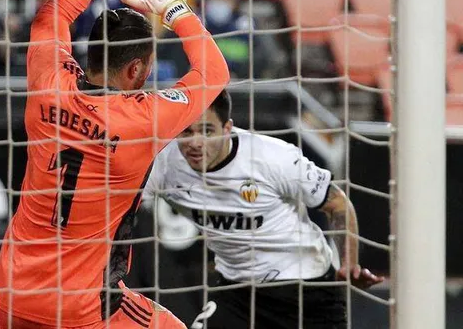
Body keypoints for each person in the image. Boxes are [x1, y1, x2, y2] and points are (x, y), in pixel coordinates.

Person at [0, 0, 230, 329]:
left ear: (87, 53)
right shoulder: (143, 119)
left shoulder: (50, 86)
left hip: (11, 292)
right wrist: (175, 8)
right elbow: (214, 71)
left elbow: (51, 16)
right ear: (139, 68)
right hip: (82, 307)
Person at [144, 89, 384, 329]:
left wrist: (348, 264)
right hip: (236, 291)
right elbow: (120, 204)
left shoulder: (272, 157)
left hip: (305, 289)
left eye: (207, 131)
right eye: (187, 131)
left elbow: (337, 203)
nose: (195, 142)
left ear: (227, 129)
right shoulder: (165, 165)